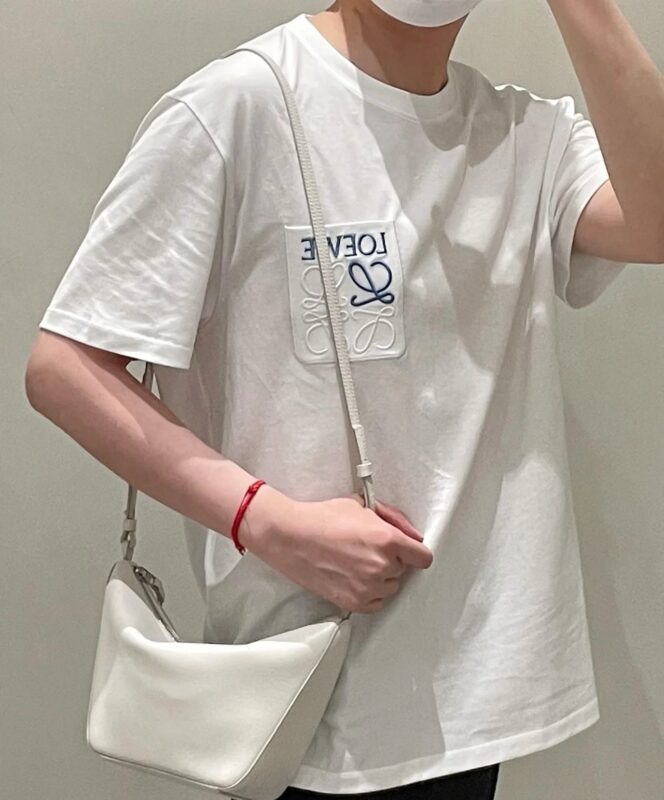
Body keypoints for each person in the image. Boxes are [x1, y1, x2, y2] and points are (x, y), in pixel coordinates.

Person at [25, 1, 641, 799]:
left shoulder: (524, 134)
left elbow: (655, 220)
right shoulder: (240, 106)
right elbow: (66, 368)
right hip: (305, 701)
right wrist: (265, 520)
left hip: (474, 703)